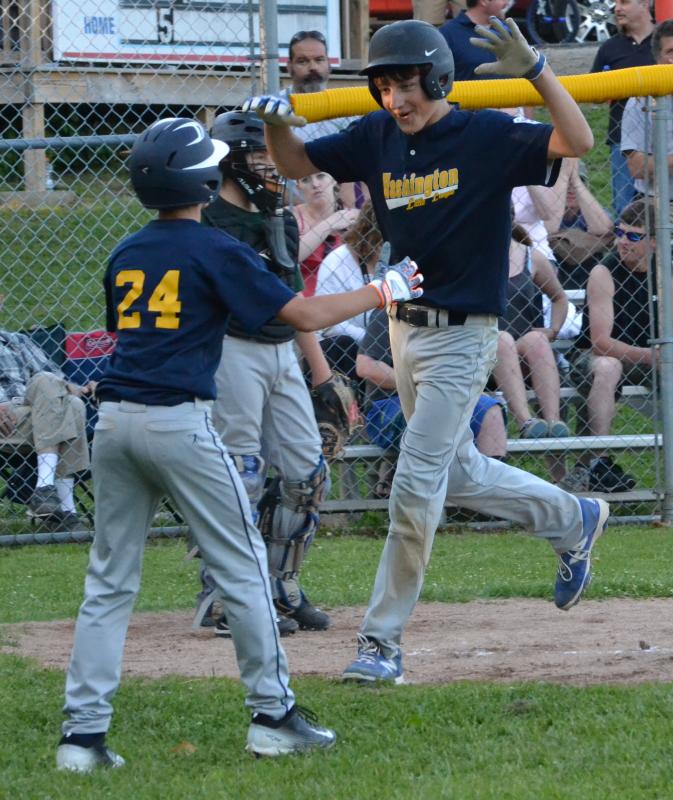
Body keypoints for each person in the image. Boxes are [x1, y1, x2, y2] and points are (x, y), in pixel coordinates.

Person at [245, 17, 609, 688]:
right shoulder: (378, 133)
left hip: (463, 334)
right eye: (383, 87)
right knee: (458, 473)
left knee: (415, 487)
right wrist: (276, 126)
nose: (394, 100)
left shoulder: (483, 134)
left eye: (405, 85)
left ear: (438, 79)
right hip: (405, 330)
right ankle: (572, 516)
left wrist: (534, 69)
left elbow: (577, 138)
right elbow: (297, 162)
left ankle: (380, 643)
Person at [55, 116, 422, 771]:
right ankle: (273, 717)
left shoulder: (125, 251)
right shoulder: (216, 248)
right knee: (246, 568)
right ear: (200, 179)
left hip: (113, 422)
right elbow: (302, 315)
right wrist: (382, 290)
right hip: (178, 422)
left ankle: (82, 738)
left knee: (109, 583)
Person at [197, 110, 351, 636]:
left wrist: (323, 376)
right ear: (231, 163)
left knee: (307, 473)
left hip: (280, 349)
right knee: (238, 474)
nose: (273, 169)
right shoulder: (205, 219)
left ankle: (283, 585)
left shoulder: (279, 217)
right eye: (260, 158)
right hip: (229, 348)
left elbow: (294, 303)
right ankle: (223, 594)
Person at [566, 198, 673, 492]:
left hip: (647, 356)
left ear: (653, 242)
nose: (623, 242)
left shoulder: (668, 271)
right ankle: (599, 464)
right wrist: (653, 354)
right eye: (620, 233)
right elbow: (599, 342)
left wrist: (671, 352)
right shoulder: (604, 273)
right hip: (595, 357)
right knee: (609, 367)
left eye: (634, 236)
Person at [358, 307, 508, 498]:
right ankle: (426, 492)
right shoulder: (392, 310)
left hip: (446, 395)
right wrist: (423, 384)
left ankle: (489, 500)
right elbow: (366, 366)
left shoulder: (455, 314)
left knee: (490, 411)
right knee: (437, 411)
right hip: (389, 403)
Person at [0, 313, 92, 530]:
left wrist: (85, 386)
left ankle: (49, 495)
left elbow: (56, 380)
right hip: (7, 420)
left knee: (69, 401)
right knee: (68, 409)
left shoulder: (17, 340)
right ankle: (62, 510)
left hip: (34, 412)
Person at [492, 220, 570, 439]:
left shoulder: (530, 256)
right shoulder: (468, 257)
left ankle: (553, 422)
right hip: (483, 353)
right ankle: (526, 422)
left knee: (535, 339)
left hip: (524, 354)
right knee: (502, 339)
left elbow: (559, 297)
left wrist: (553, 329)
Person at [621, 17, 673, 235]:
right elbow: (636, 168)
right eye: (671, 52)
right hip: (655, 202)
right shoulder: (641, 101)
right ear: (658, 60)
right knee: (625, 239)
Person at [283, 29, 367, 210]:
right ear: (289, 67)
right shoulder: (279, 108)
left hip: (343, 206)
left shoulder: (347, 107)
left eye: (319, 60)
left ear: (329, 65)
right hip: (294, 209)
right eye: (303, 61)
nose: (312, 67)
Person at [591, 0, 655, 217]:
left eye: (624, 2)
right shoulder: (610, 47)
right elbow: (592, 93)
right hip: (623, 140)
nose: (617, 8)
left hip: (665, 135)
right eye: (615, 3)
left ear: (645, 4)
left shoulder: (664, 42)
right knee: (625, 208)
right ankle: (626, 247)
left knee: (664, 205)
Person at [314, 201, 383, 378]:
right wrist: (373, 342)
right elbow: (331, 325)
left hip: (380, 348)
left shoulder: (395, 261)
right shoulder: (337, 262)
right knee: (343, 344)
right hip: (345, 351)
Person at [544, 158, 614, 290]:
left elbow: (605, 229)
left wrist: (575, 179)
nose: (570, 190)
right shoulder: (541, 210)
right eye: (565, 184)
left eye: (576, 183)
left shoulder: (590, 210)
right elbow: (547, 228)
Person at [292, 171, 359, 295]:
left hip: (348, 298)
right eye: (306, 180)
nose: (315, 184)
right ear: (298, 187)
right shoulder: (291, 217)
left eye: (321, 176)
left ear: (334, 179)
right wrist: (330, 223)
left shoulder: (354, 217)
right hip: (305, 301)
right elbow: (291, 257)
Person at [440, 0, 504, 81]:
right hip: (467, 92)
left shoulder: (508, 29)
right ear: (484, 1)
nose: (506, 3)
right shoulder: (447, 33)